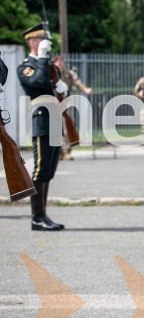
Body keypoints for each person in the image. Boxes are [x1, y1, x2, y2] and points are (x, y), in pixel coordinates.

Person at [17, 23, 69, 231]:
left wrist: (60, 82)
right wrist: (41, 57)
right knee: (39, 169)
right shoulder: (26, 66)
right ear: (31, 42)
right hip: (42, 119)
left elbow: (52, 84)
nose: (44, 42)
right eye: (40, 39)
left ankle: (43, 214)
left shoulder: (45, 64)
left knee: (49, 169)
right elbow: (38, 82)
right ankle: (37, 217)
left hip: (55, 117)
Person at [52, 55, 92, 161]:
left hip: (66, 105)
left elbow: (77, 82)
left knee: (68, 128)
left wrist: (85, 89)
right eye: (58, 63)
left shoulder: (69, 74)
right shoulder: (51, 74)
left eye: (61, 62)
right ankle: (59, 153)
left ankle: (66, 152)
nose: (61, 64)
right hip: (53, 105)